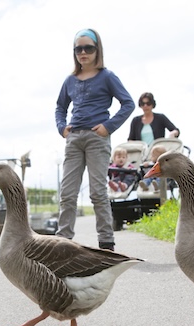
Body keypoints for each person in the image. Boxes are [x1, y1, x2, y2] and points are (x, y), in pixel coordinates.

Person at [55, 28, 135, 251]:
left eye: (88, 48)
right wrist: (62, 128)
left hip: (96, 139)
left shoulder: (107, 76)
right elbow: (60, 107)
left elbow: (128, 103)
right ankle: (63, 242)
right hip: (74, 139)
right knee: (67, 193)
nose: (83, 52)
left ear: (97, 50)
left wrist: (108, 127)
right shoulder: (69, 80)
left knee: (98, 192)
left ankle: (106, 242)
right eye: (78, 49)